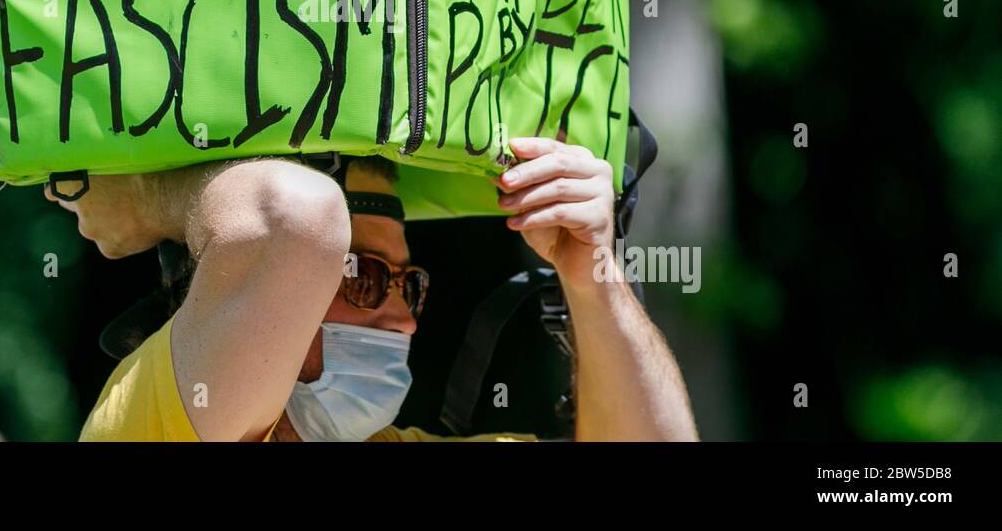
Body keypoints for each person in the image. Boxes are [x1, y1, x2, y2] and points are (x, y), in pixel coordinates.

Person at [46, 137, 698, 441]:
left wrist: (594, 276)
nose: (404, 318)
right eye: (358, 273)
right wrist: (148, 203)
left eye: (409, 284)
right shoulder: (155, 414)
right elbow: (292, 219)